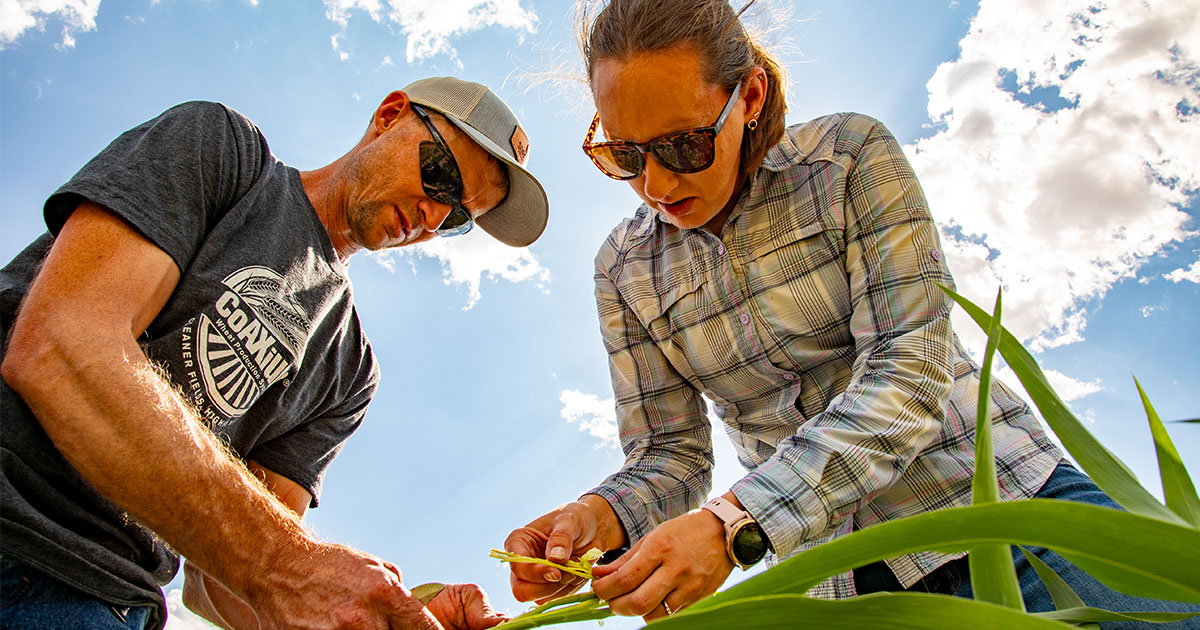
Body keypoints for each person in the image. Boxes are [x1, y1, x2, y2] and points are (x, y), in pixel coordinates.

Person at [503, 0, 1200, 627]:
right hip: (850, 593)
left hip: (1013, 521)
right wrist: (598, 517)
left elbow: (909, 371)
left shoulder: (848, 159)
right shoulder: (624, 269)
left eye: (684, 146)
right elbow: (670, 453)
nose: (655, 184)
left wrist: (736, 525)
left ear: (748, 96)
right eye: (622, 154)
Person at [1, 76, 548, 630]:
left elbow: (220, 582)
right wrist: (283, 560)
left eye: (458, 217)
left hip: (115, 604)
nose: (434, 216)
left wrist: (381, 614)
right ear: (390, 115)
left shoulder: (349, 371)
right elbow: (60, 344)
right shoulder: (221, 152)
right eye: (441, 175)